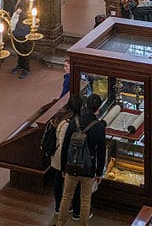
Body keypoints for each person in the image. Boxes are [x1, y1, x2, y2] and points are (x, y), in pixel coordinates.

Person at [57, 93, 106, 226]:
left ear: (85, 105)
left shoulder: (74, 123)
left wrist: (63, 167)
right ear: (98, 109)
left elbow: (65, 146)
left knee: (66, 197)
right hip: (88, 168)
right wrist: (99, 172)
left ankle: (60, 223)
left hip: (71, 166)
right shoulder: (99, 127)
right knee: (85, 199)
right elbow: (101, 152)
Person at [51, 96, 81, 220]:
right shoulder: (67, 122)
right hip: (63, 156)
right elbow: (64, 143)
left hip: (59, 155)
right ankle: (61, 206)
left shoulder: (61, 115)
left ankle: (60, 205)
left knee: (59, 180)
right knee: (65, 181)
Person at [9, 0, 32, 77]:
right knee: (17, 48)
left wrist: (21, 13)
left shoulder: (27, 2)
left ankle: (26, 68)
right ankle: (20, 65)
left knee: (25, 49)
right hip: (15, 28)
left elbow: (30, 15)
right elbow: (10, 10)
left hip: (24, 29)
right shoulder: (13, 0)